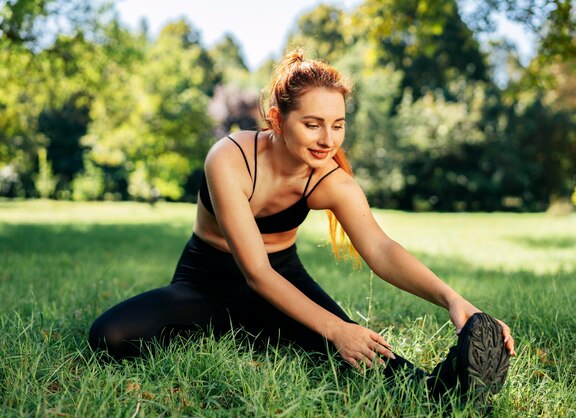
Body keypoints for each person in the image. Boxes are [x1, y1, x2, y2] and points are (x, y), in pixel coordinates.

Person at [89, 49, 515, 406]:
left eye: (338, 125)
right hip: (206, 284)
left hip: (286, 281)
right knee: (111, 337)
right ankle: (241, 332)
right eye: (312, 124)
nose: (327, 139)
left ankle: (441, 390)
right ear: (276, 119)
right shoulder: (230, 159)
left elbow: (381, 250)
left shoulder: (330, 180)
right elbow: (254, 272)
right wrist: (331, 327)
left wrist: (454, 300)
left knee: (356, 354)